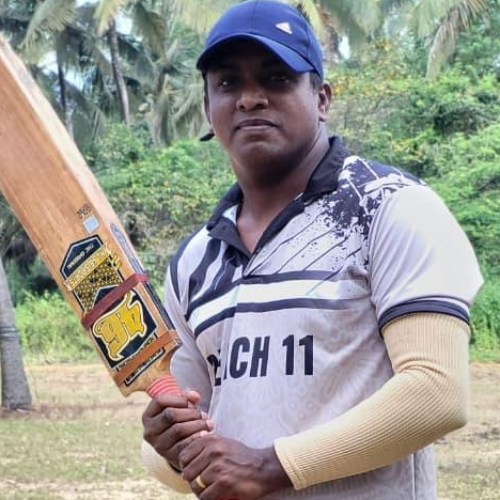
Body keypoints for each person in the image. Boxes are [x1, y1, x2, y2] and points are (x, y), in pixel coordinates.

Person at [140, 1, 483, 499]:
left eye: (276, 78)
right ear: (208, 108)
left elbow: (437, 392)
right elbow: (183, 445)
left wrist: (271, 466)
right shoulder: (196, 260)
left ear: (321, 98)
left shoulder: (388, 206)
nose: (249, 98)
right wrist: (170, 450)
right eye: (228, 83)